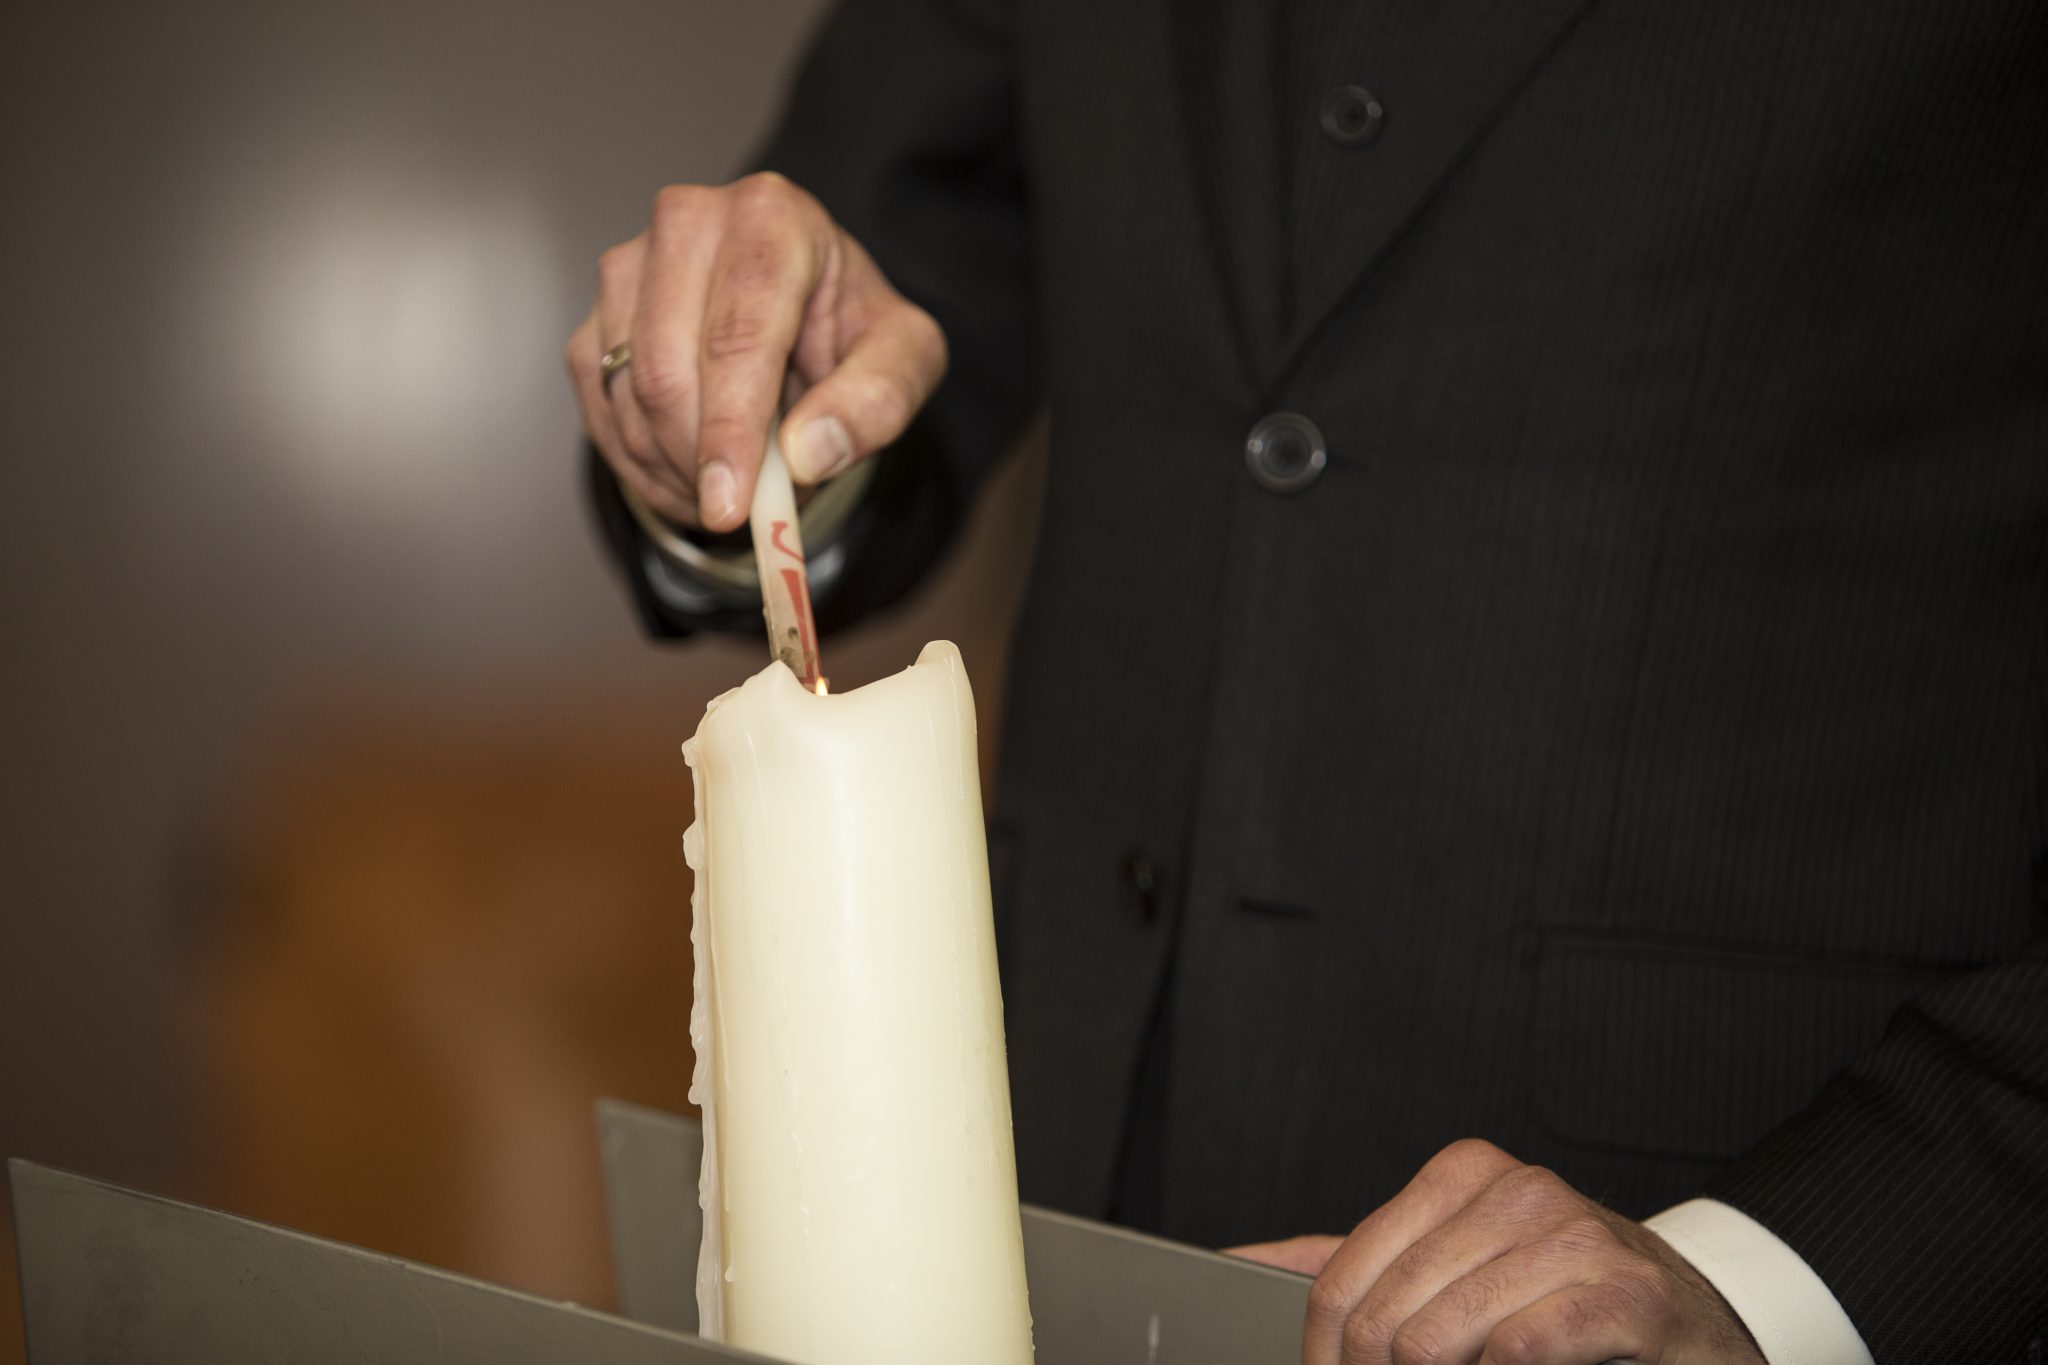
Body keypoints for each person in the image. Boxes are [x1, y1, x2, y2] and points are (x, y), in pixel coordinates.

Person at [567, 2, 2048, 1360]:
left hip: (1716, 1182)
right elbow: (872, 316)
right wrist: (731, 407)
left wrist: (1778, 1277)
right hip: (1036, 1181)